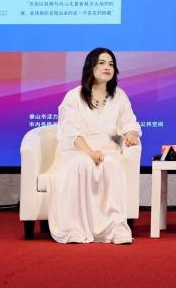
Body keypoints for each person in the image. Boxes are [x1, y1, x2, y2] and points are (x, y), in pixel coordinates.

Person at [48, 47, 142, 244]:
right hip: (78, 149)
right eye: (102, 63)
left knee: (112, 163)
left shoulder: (119, 96)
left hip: (107, 148)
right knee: (81, 164)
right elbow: (71, 131)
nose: (107, 67)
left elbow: (129, 122)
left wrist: (132, 135)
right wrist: (90, 152)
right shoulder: (74, 96)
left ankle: (115, 227)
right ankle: (74, 228)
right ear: (90, 66)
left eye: (111, 64)